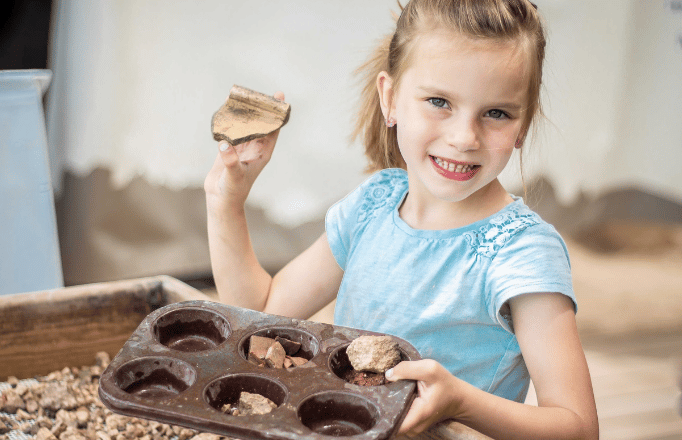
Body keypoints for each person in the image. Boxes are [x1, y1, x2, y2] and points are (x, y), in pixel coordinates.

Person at [204, 0, 598, 438]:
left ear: (523, 123)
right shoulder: (372, 204)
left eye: (496, 113)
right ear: (390, 98)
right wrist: (227, 201)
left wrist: (462, 402)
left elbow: (578, 428)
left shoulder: (523, 253)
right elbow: (259, 315)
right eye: (439, 101)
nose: (464, 138)